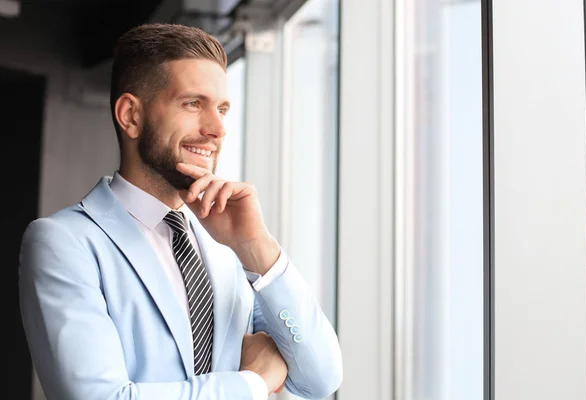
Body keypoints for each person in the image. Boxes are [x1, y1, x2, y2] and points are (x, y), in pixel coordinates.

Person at [18, 23, 343, 400]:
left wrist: (258, 247)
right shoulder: (64, 243)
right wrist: (252, 383)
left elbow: (319, 379)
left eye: (222, 109)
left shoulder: (227, 248)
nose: (217, 128)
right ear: (131, 116)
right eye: (193, 103)